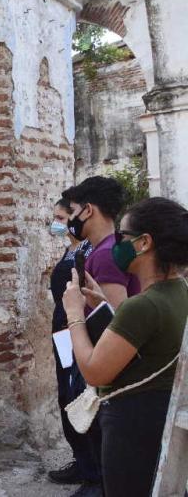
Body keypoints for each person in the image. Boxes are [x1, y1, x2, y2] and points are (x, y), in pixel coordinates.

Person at [63, 197, 188, 497]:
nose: (116, 243)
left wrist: (74, 315)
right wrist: (103, 304)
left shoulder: (142, 305)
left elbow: (94, 371)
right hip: (160, 418)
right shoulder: (179, 291)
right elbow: (145, 342)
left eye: (122, 236)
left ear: (144, 243)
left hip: (132, 425)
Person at [61, 176, 140, 497]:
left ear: (88, 210)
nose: (70, 220)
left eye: (73, 211)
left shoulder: (106, 254)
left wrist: (76, 316)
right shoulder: (105, 249)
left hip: (105, 367)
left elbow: (117, 321)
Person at [46, 199, 99, 486]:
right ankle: (82, 461)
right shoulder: (69, 250)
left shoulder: (89, 250)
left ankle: (95, 474)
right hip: (62, 334)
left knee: (81, 396)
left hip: (79, 330)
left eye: (60, 217)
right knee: (66, 397)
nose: (55, 222)